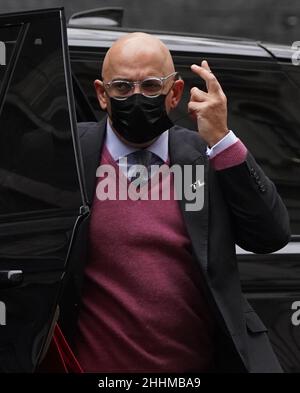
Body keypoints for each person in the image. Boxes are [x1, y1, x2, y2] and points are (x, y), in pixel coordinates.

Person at [42, 32, 290, 373]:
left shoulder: (207, 156)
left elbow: (271, 236)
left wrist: (222, 139)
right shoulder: (66, 154)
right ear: (102, 94)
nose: (137, 97)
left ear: (174, 93)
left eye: (151, 86)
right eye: (123, 88)